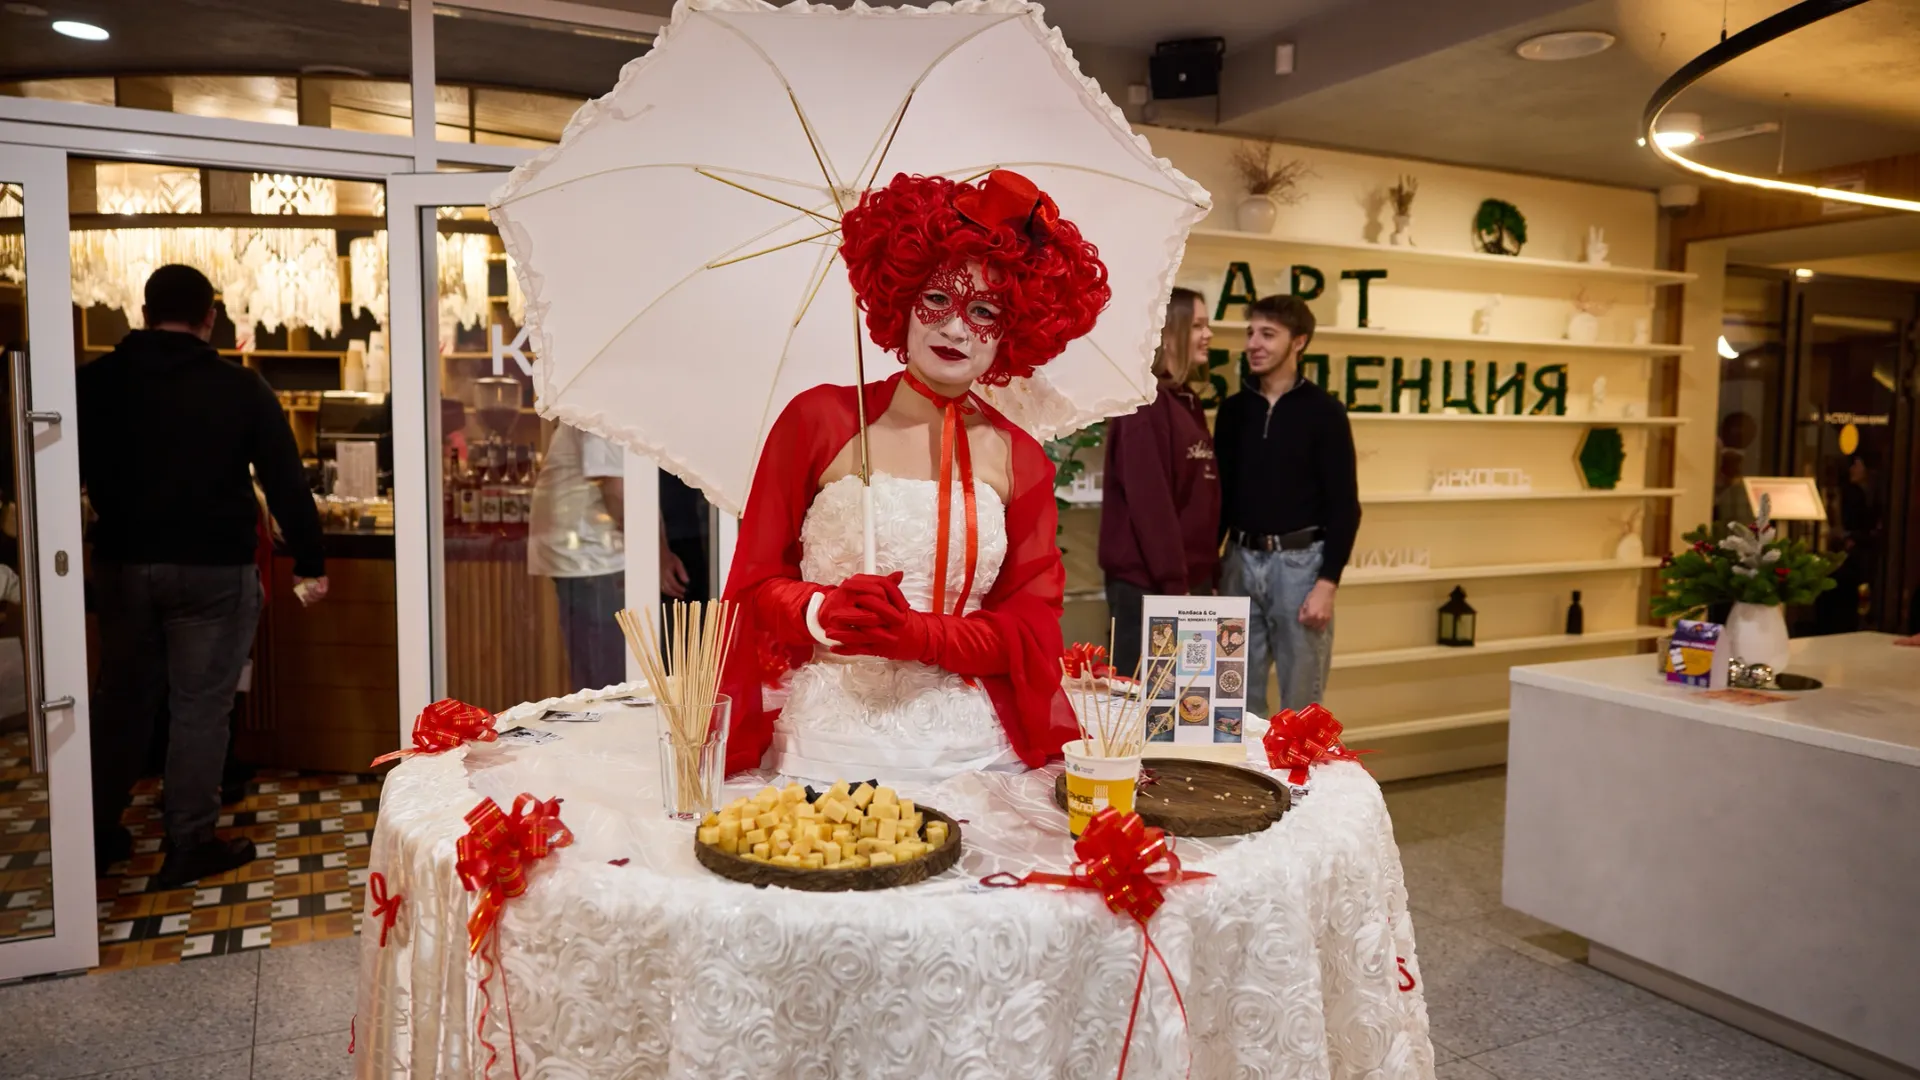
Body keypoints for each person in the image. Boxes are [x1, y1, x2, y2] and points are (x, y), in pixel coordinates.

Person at [720, 169, 1104, 781]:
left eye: (984, 310)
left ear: (1013, 330)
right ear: (900, 297)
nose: (955, 328)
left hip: (973, 751)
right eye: (936, 298)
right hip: (828, 744)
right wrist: (821, 611)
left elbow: (1029, 629)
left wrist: (921, 636)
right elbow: (754, 581)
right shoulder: (818, 419)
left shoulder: (1019, 458)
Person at [80, 264, 328, 887]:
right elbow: (285, 479)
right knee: (199, 708)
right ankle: (188, 840)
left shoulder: (93, 383)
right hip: (212, 570)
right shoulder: (237, 387)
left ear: (142, 313)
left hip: (122, 563)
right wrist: (311, 559)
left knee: (122, 703)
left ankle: (96, 833)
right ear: (210, 317)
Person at [1214, 293, 1359, 718]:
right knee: (1235, 700)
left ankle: (1300, 785)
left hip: (1300, 568)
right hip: (1238, 563)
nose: (1254, 344)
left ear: (1299, 342)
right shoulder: (1233, 411)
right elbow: (1220, 499)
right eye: (1250, 333)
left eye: (1268, 334)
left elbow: (1345, 506)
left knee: (1301, 704)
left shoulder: (1325, 413)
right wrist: (1212, 568)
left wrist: (1327, 584)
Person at [1098, 286, 1220, 677]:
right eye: (1198, 325)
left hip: (1186, 587)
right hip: (1151, 591)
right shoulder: (1142, 404)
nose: (1208, 334)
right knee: (1143, 716)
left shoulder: (1187, 401)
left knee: (1188, 714)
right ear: (1167, 333)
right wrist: (1175, 586)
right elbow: (1151, 504)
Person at [528, 422, 627, 691]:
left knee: (596, 671)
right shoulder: (605, 406)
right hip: (593, 557)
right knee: (606, 683)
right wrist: (656, 553)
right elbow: (616, 492)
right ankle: (607, 731)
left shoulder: (594, 404)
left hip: (586, 556)